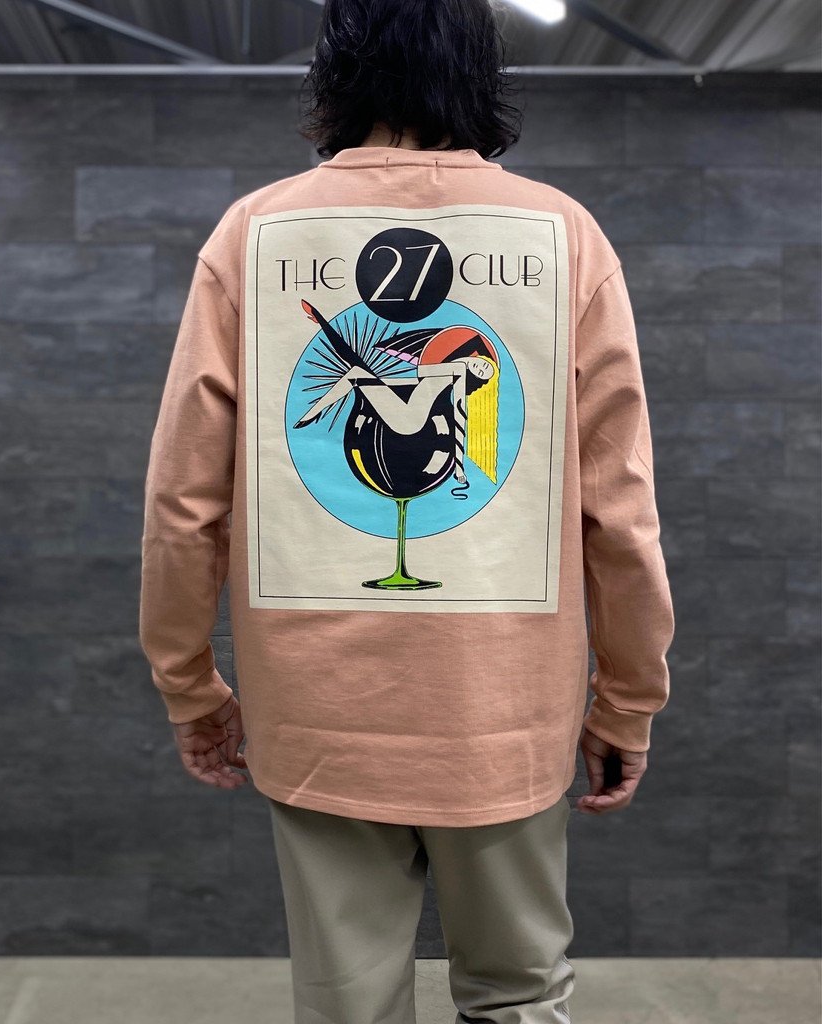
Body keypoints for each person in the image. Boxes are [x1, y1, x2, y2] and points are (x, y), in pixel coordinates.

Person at [138, 0, 676, 1020]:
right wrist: (628, 698)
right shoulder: (563, 236)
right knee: (519, 995)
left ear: (335, 69)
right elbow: (620, 510)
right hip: (505, 713)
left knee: (348, 1003)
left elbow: (182, 502)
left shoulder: (254, 234)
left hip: (318, 712)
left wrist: (188, 683)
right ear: (477, 67)